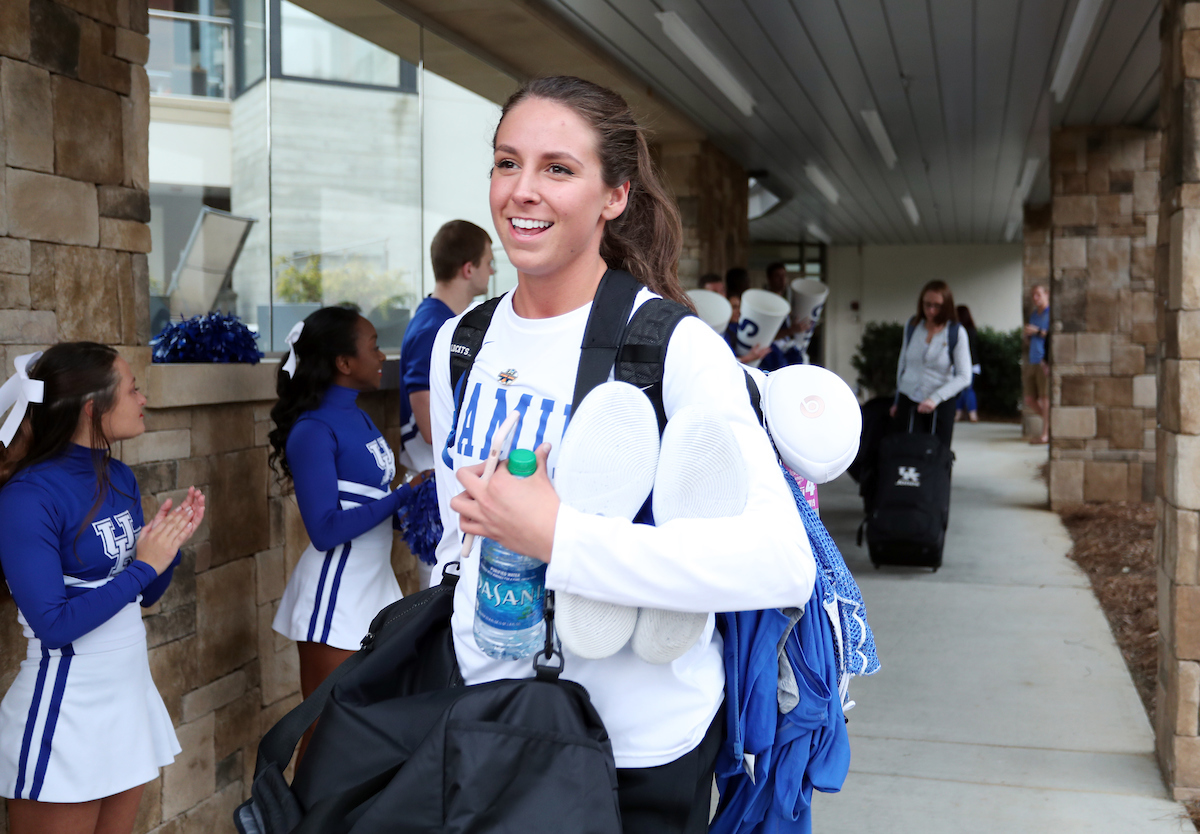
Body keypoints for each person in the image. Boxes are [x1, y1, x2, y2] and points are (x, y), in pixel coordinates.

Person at [429, 75, 814, 834]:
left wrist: (561, 538)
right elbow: (456, 538)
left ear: (614, 197)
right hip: (483, 731)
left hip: (634, 757)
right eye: (508, 163)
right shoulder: (462, 344)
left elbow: (781, 562)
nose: (522, 191)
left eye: (558, 169)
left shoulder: (675, 347)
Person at [0, 343, 205, 834]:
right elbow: (52, 624)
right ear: (93, 407)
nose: (143, 398)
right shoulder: (28, 496)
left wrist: (167, 546)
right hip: (66, 709)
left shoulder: (119, 476)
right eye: (132, 388)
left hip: (127, 697)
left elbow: (145, 596)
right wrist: (144, 565)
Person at [269, 307, 424, 756]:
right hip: (334, 600)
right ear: (343, 362)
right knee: (322, 741)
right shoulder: (313, 430)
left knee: (362, 740)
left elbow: (368, 506)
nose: (381, 356)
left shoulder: (359, 416)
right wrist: (402, 495)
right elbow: (324, 529)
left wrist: (418, 510)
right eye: (373, 345)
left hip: (374, 587)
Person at [399, 220, 494, 587]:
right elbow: (429, 426)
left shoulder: (446, 321)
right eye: (488, 261)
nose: (492, 270)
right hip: (437, 492)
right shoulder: (433, 328)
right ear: (468, 269)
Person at [889, 280, 972, 449]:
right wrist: (897, 400)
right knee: (906, 453)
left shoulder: (956, 332)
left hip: (940, 403)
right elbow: (903, 363)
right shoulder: (913, 326)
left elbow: (964, 376)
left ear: (946, 306)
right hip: (908, 398)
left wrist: (935, 399)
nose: (931, 310)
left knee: (937, 455)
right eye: (927, 305)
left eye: (937, 306)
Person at [1023, 284, 1051, 444]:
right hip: (1032, 360)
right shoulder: (1034, 315)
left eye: (1038, 294)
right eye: (1033, 295)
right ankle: (1052, 423)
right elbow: (1033, 336)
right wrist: (1028, 336)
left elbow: (1052, 335)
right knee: (1029, 399)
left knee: (1045, 398)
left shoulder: (1050, 314)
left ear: (1046, 294)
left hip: (1043, 361)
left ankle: (1045, 433)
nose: (1035, 298)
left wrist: (1037, 331)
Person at [955, 304, 982, 423]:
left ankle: (972, 414)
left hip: (966, 364)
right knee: (962, 389)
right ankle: (961, 413)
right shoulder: (972, 329)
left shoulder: (959, 330)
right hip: (973, 364)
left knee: (966, 389)